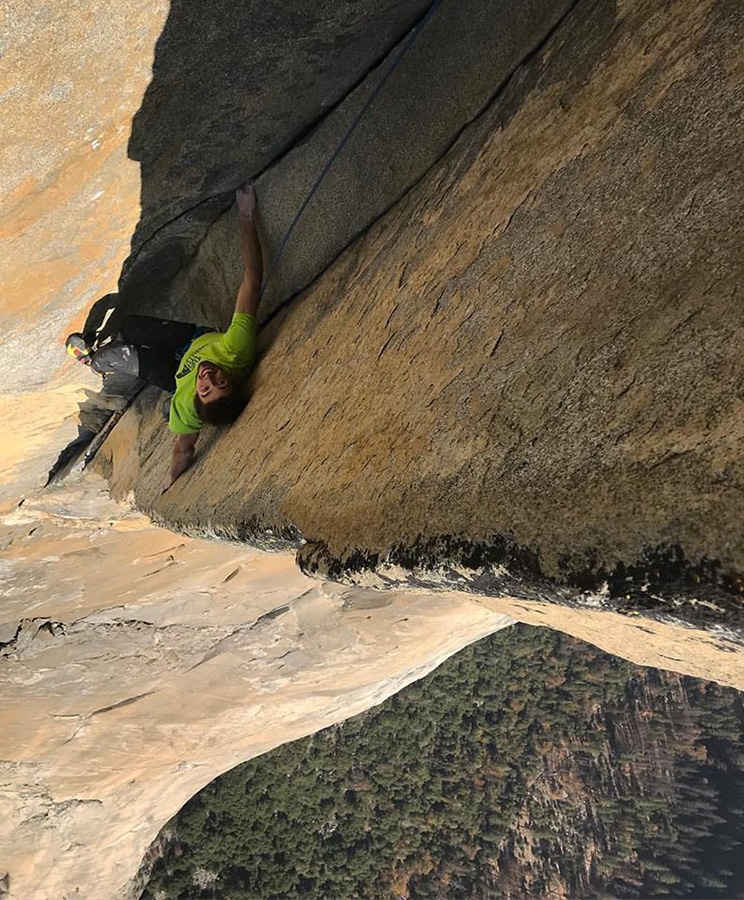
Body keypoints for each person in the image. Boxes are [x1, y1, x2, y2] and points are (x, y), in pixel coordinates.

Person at [65, 181, 263, 493]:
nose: (208, 377)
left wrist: (171, 480)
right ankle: (105, 341)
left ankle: (92, 359)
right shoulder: (235, 351)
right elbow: (252, 282)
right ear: (233, 379)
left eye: (205, 389)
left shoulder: (187, 412)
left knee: (120, 357)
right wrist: (246, 217)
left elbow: (184, 450)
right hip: (193, 341)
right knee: (131, 325)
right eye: (220, 382)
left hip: (174, 377)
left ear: (197, 398)